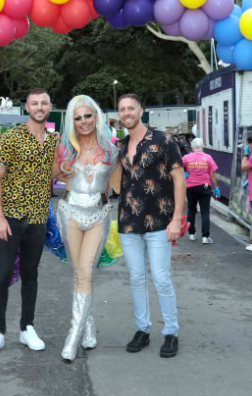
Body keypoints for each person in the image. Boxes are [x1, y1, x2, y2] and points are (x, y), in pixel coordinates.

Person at [0, 89, 60, 356]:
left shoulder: (52, 141)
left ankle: (27, 328)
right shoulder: (11, 137)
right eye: (34, 103)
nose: (39, 107)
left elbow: (55, 174)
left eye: (44, 103)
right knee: (2, 274)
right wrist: (0, 218)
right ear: (26, 107)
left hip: (38, 219)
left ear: (50, 107)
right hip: (10, 218)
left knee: (31, 275)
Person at [116, 94, 185, 358]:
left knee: (161, 278)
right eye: (122, 109)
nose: (126, 112)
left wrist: (177, 219)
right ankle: (142, 329)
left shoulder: (164, 140)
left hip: (160, 221)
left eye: (130, 108)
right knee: (136, 278)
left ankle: (171, 332)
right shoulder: (120, 146)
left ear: (141, 110)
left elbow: (179, 180)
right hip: (128, 222)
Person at [55, 95, 118, 361]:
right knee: (79, 273)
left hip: (98, 216)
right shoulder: (63, 150)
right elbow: (45, 179)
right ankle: (88, 328)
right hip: (69, 214)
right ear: (72, 121)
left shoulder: (112, 151)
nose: (83, 122)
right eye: (77, 117)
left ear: (96, 116)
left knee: (85, 274)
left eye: (87, 116)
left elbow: (120, 188)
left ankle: (73, 338)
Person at [182, 138, 220, 244]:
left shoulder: (186, 157)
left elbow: (178, 167)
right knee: (205, 211)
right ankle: (205, 237)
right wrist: (216, 188)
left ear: (192, 147)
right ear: (203, 147)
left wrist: (184, 174)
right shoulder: (208, 158)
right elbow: (212, 174)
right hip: (205, 186)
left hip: (190, 187)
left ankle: (191, 234)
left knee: (191, 210)